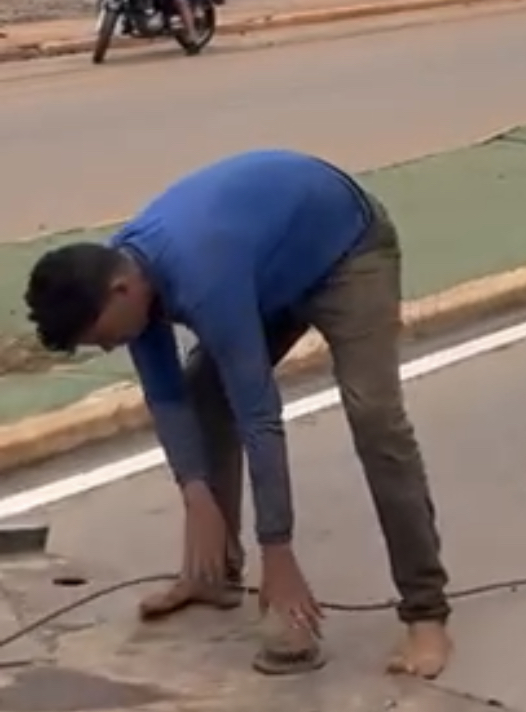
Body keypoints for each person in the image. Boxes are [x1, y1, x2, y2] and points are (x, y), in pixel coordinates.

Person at [24, 150, 452, 680]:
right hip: (267, 267)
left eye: (104, 335)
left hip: (347, 254)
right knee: (204, 398)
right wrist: (194, 492)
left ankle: (426, 612)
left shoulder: (201, 274)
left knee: (375, 417)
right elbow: (168, 399)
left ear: (122, 291)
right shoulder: (125, 278)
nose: (110, 347)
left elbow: (261, 416)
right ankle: (214, 576)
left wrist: (280, 552)